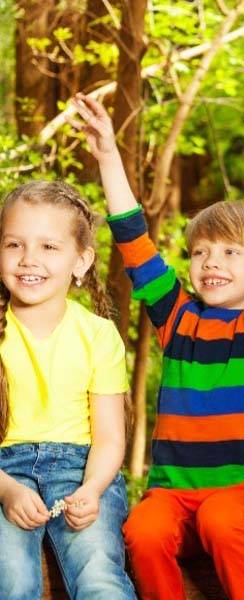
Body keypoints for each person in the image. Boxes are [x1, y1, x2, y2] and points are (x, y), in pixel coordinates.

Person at [72, 83, 244, 600]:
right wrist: (110, 154)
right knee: (142, 530)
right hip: (174, 495)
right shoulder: (177, 319)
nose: (212, 264)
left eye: (230, 253)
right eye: (201, 253)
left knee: (224, 520)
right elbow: (134, 243)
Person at [0, 180, 135, 599]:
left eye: (49, 247)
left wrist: (92, 490)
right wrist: (6, 489)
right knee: (13, 578)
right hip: (4, 472)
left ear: (81, 261)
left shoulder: (98, 335)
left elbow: (111, 438)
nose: (28, 260)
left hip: (82, 469)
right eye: (13, 245)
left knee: (100, 576)